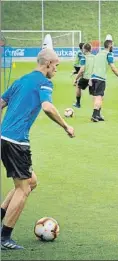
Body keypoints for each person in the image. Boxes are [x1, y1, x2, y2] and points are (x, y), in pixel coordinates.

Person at [1, 48, 75, 250]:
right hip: (17, 142)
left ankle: (2, 216)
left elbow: (1, 102)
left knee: (30, 181)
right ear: (48, 63)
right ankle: (4, 238)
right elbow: (48, 107)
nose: (57, 69)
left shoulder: (21, 80)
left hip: (4, 138)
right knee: (23, 189)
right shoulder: (44, 82)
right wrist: (66, 126)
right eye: (56, 65)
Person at [90, 39, 118, 122]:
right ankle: (94, 115)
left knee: (98, 97)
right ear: (110, 46)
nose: (113, 47)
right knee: (99, 97)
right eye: (113, 45)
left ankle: (98, 114)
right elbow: (112, 67)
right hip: (100, 78)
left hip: (92, 78)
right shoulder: (108, 54)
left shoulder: (98, 53)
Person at [73, 43, 95, 108]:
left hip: (86, 77)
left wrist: (76, 79)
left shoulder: (84, 58)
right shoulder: (95, 57)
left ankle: (78, 103)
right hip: (94, 78)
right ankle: (96, 110)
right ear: (91, 49)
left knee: (78, 86)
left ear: (84, 49)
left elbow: (82, 70)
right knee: (95, 94)